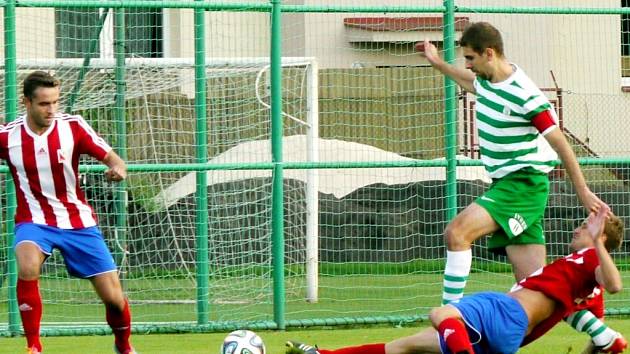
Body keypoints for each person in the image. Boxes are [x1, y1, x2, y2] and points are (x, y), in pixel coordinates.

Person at [418, 21, 607, 305]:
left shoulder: (525, 94)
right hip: (510, 184)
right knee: (537, 289)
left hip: (522, 184)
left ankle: (448, 318)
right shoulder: (487, 82)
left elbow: (560, 143)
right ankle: (604, 337)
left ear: (489, 53)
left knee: (457, 233)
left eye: (470, 58)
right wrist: (436, 62)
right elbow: (471, 83)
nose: (467, 65)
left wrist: (582, 191)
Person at [285, 205, 627, 354]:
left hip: (506, 314)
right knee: (407, 346)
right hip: (506, 337)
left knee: (443, 314)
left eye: (586, 226)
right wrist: (609, 341)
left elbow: (614, 284)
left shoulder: (591, 258)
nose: (579, 227)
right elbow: (603, 334)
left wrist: (597, 242)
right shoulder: (581, 279)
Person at [0, 71, 136, 354]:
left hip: (78, 222)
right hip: (33, 220)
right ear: (26, 102)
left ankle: (123, 346)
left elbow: (113, 158)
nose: (52, 110)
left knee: (114, 298)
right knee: (26, 264)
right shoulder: (8, 137)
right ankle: (34, 347)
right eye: (44, 104)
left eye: (55, 102)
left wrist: (118, 169)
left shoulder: (73, 127)